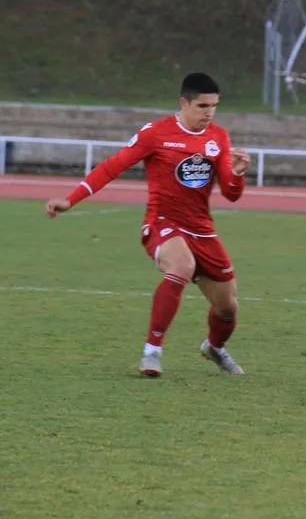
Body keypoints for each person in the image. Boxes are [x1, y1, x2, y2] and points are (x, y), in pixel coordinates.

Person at [44, 73, 251, 378]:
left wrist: (238, 173)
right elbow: (111, 167)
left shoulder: (218, 136)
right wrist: (70, 199)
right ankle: (151, 352)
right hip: (162, 223)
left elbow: (231, 195)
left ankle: (214, 348)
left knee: (227, 309)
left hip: (202, 230)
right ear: (184, 103)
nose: (209, 112)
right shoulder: (156, 133)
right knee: (181, 266)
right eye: (202, 105)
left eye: (214, 106)